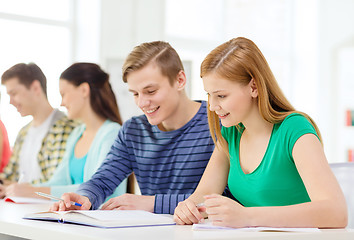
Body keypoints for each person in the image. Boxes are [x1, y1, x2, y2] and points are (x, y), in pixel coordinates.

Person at [173, 37, 347, 228]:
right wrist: (189, 207)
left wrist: (247, 217)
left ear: (254, 87)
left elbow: (336, 213)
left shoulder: (295, 129)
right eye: (209, 95)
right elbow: (204, 194)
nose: (213, 106)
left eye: (221, 95)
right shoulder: (231, 133)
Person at [50, 41, 215, 214]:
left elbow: (222, 199)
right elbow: (103, 180)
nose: (142, 103)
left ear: (180, 80)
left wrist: (151, 203)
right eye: (135, 94)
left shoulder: (217, 124)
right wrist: (85, 196)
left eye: (150, 91)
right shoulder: (134, 130)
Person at [4, 63, 127, 199]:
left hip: (100, 218)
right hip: (76, 217)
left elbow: (99, 188)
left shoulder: (112, 133)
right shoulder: (77, 134)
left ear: (84, 90)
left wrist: (32, 192)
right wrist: (28, 190)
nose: (61, 103)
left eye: (63, 94)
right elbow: (57, 182)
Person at [0, 63, 77, 198]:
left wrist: (17, 188)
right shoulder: (23, 132)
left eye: (14, 93)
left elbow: (56, 181)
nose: (10, 101)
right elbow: (9, 176)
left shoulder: (66, 128)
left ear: (35, 88)